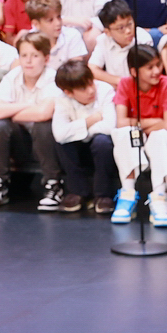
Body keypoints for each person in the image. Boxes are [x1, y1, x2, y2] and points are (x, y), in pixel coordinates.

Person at [0, 34, 62, 211]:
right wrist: (28, 106)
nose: (28, 61)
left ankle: (53, 184)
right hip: (21, 142)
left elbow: (43, 113)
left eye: (35, 55)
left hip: (49, 143)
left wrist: (11, 111)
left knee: (43, 125)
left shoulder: (53, 78)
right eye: (24, 55)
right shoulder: (13, 76)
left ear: (46, 58)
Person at [110, 42, 167, 228]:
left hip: (157, 136)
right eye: (150, 68)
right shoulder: (125, 84)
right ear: (134, 72)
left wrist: (138, 122)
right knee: (125, 133)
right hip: (137, 135)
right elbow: (121, 122)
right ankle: (127, 194)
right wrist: (149, 123)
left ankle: (159, 197)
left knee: (159, 136)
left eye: (158, 65)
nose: (157, 71)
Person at [50, 55, 119, 214]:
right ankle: (78, 192)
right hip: (78, 150)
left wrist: (78, 131)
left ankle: (103, 195)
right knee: (63, 143)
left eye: (91, 83)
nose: (91, 90)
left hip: (102, 150)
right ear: (69, 92)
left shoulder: (105, 90)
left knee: (102, 141)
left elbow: (109, 127)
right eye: (83, 88)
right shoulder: (61, 99)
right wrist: (91, 120)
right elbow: (59, 134)